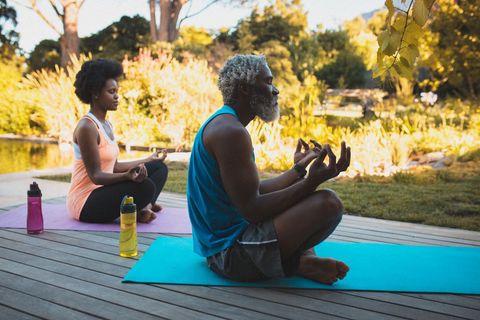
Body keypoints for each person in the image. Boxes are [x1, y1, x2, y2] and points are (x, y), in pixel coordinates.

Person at [187, 54, 351, 284]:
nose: (275, 90)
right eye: (268, 81)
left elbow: (255, 191)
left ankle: (301, 261)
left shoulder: (226, 123)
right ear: (245, 89)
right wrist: (310, 182)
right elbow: (253, 209)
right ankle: (298, 263)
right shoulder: (230, 132)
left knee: (302, 200)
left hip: (222, 247)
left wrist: (298, 170)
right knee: (328, 204)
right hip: (229, 255)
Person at [67, 59, 168, 224]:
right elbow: (96, 176)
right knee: (146, 186)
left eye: (117, 91)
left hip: (105, 190)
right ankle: (143, 206)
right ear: (95, 93)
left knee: (159, 168)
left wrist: (149, 159)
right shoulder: (87, 127)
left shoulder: (106, 124)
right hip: (85, 201)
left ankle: (145, 207)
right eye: (111, 91)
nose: (117, 96)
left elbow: (114, 167)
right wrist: (127, 177)